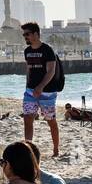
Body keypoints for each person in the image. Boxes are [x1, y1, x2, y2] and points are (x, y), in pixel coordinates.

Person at [21, 23, 60, 157]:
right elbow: (29, 70)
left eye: (27, 34)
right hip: (30, 91)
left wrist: (40, 87)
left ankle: (55, 149)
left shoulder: (47, 50)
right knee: (27, 119)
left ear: (36, 34)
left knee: (50, 120)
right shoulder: (27, 51)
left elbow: (51, 71)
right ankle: (28, 150)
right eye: (24, 34)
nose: (25, 37)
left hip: (47, 92)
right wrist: (29, 87)